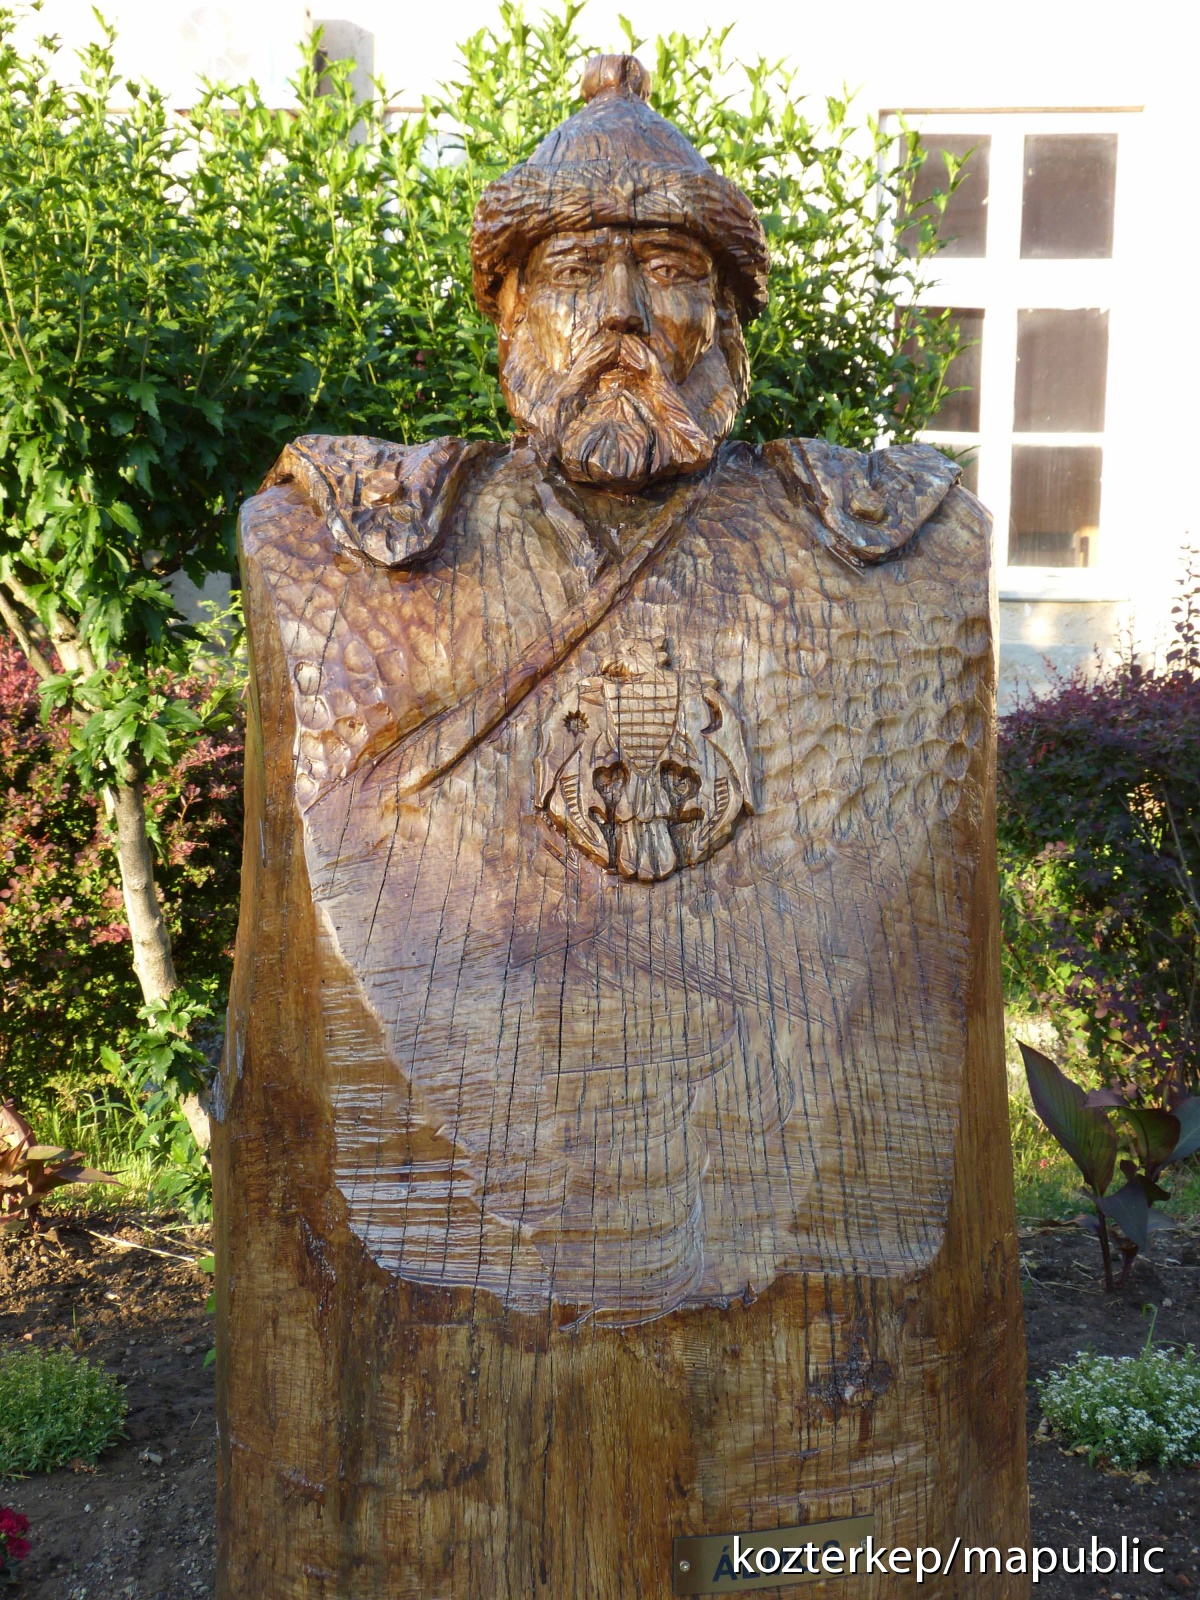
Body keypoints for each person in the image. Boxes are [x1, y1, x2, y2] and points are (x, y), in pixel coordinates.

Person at [237, 53, 991, 1323]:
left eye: (674, 271)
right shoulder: (351, 541)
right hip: (456, 1190)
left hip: (788, 1195)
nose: (628, 314)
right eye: (579, 271)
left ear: (727, 322)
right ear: (512, 314)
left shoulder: (887, 542)